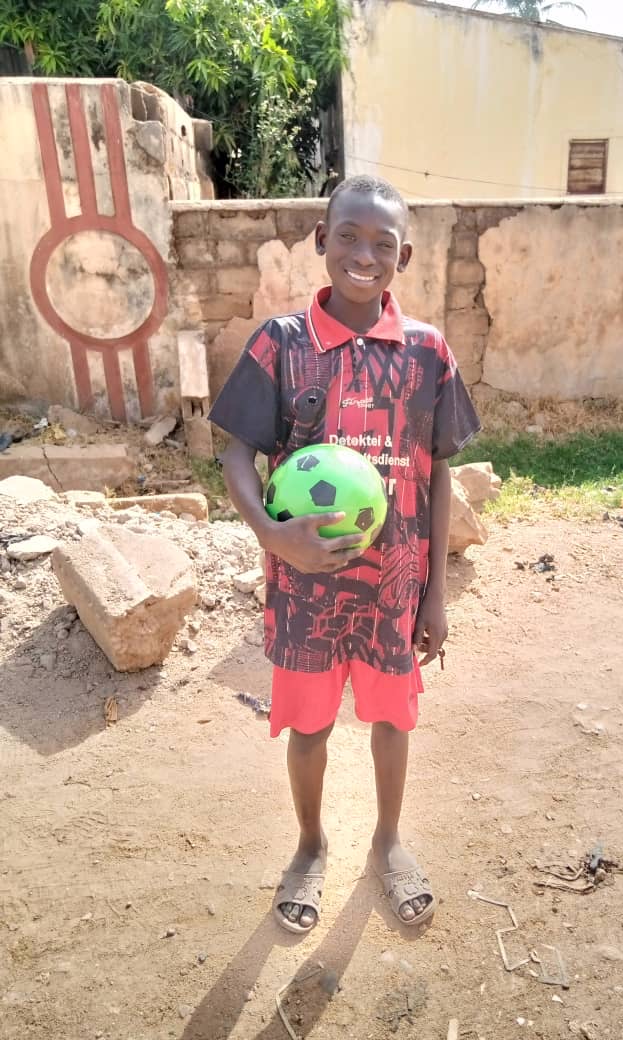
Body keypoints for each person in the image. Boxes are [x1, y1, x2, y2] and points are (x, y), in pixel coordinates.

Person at [209, 174, 480, 934]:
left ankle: (388, 842)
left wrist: (435, 594)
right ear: (321, 240)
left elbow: (439, 471)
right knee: (310, 727)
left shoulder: (427, 352)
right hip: (305, 588)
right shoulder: (281, 344)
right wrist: (273, 535)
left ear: (404, 256)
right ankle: (310, 845)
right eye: (349, 237)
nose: (365, 255)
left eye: (383, 244)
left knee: (393, 719)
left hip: (394, 586)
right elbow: (236, 454)